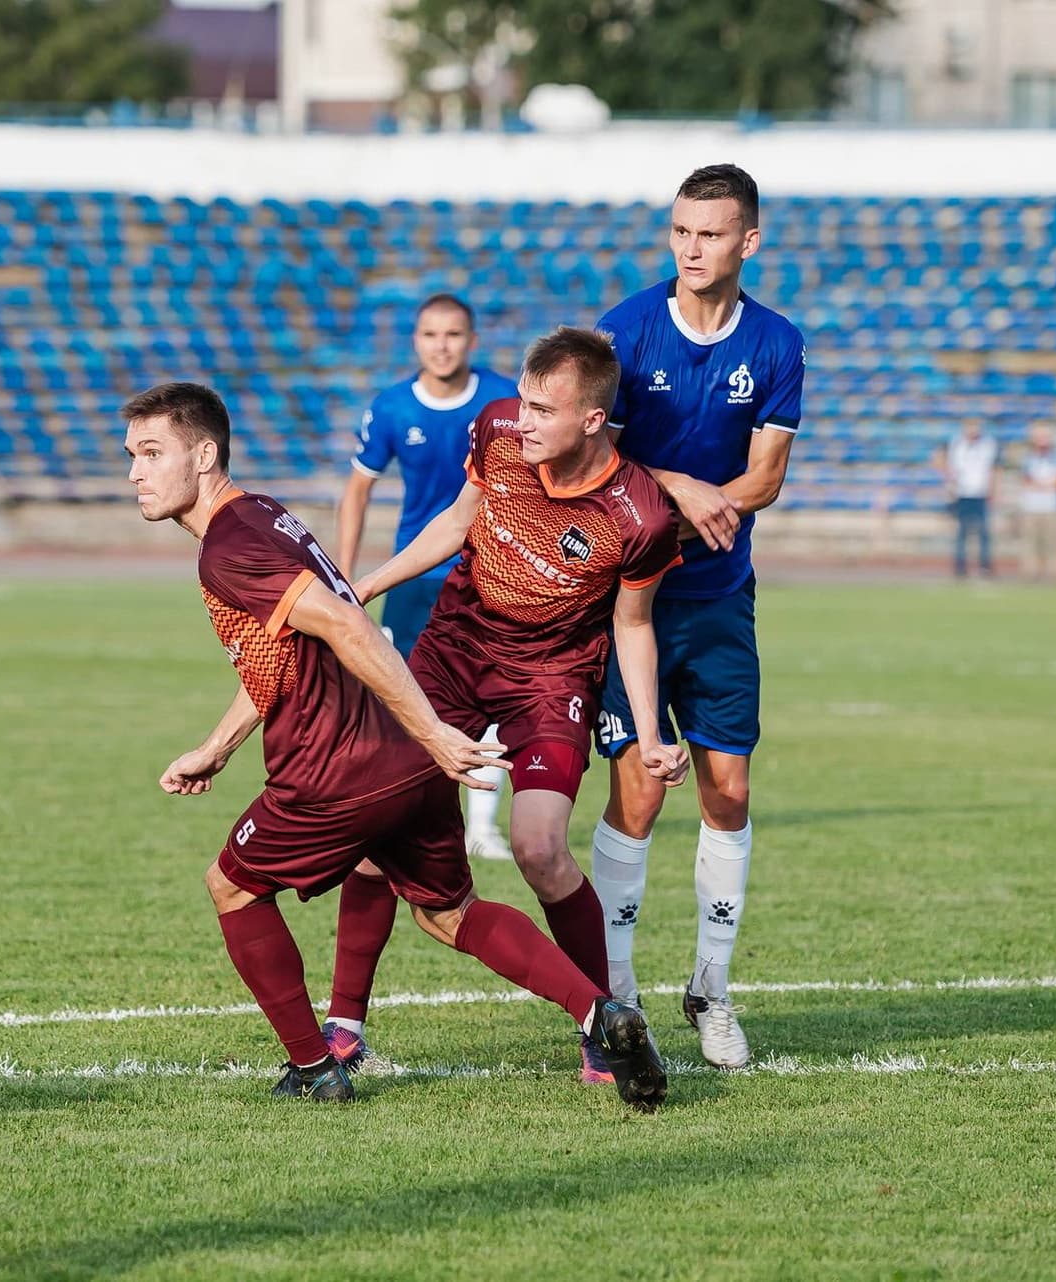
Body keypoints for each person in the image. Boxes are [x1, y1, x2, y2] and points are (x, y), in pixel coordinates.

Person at [124, 380, 667, 1112]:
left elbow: (350, 627)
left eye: (152, 453)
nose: (136, 472)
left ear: (204, 454)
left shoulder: (228, 547)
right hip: (400, 762)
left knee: (232, 886)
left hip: (334, 766)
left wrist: (435, 730)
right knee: (449, 912)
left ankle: (315, 1068)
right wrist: (218, 745)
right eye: (132, 455)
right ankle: (601, 1013)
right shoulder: (264, 515)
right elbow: (279, 654)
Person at [324, 328, 690, 1087]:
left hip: (551, 678)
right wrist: (366, 587)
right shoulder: (495, 429)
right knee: (372, 825)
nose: (520, 419)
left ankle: (603, 1027)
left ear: (592, 420)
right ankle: (345, 1026)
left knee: (540, 850)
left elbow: (632, 623)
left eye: (542, 409)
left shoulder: (641, 516)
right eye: (521, 400)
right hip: (454, 650)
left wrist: (651, 735)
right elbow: (459, 522)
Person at [588, 163, 807, 1072]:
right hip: (627, 598)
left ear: (747, 242)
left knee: (732, 790)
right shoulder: (626, 332)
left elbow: (766, 479)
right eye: (680, 231)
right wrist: (680, 487)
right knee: (639, 788)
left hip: (720, 596)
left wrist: (709, 500)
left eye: (710, 233)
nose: (690, 248)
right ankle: (620, 991)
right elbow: (596, 460)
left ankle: (711, 989)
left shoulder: (779, 342)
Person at [336, 293, 519, 862]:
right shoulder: (391, 408)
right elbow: (358, 489)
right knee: (407, 695)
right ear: (416, 341)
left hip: (490, 572)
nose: (443, 346)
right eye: (431, 335)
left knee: (492, 695)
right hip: (416, 576)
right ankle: (405, 813)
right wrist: (344, 578)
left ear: (472, 341)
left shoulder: (503, 400)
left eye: (454, 335)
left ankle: (482, 827)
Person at [944, 419, 998, 577]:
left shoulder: (988, 444)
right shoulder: (957, 444)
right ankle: (960, 567)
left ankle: (985, 566)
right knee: (962, 533)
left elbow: (993, 469)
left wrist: (993, 490)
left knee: (983, 532)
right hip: (962, 493)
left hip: (981, 493)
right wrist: (950, 487)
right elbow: (949, 466)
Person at [1016, 424, 1056, 579]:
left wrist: (1045, 485)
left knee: (1052, 542)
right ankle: (1030, 572)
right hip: (1031, 505)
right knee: (1030, 542)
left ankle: (1054, 573)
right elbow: (1026, 479)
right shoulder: (1028, 458)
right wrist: (1042, 485)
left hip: (1052, 505)